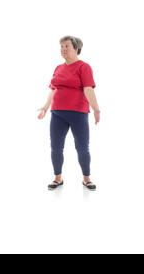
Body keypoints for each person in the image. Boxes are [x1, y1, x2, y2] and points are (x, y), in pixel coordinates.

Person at [38, 36, 100, 191]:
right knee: (56, 147)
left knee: (82, 147)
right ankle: (57, 178)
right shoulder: (58, 68)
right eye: (61, 46)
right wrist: (45, 107)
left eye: (67, 46)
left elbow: (88, 89)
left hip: (78, 114)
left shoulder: (83, 67)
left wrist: (96, 108)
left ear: (76, 49)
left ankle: (86, 178)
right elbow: (53, 89)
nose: (63, 49)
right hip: (57, 114)